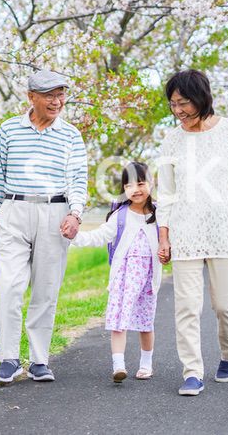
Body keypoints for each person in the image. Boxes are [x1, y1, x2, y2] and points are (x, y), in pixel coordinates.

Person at [156, 69, 228, 397]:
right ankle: (192, 372)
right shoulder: (171, 139)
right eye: (173, 104)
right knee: (187, 306)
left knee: (224, 305)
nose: (178, 110)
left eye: (184, 103)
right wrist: (163, 235)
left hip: (227, 229)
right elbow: (166, 193)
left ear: (202, 98)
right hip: (185, 231)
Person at [0, 69, 88, 383]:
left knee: (46, 288)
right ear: (31, 97)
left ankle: (39, 360)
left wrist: (75, 214)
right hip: (13, 209)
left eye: (61, 95)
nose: (57, 102)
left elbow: (78, 179)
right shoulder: (9, 129)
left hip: (54, 212)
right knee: (6, 285)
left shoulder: (70, 135)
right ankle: (8, 358)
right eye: (49, 96)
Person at [72, 161, 161, 382]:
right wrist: (75, 237)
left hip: (148, 279)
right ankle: (118, 366)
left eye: (140, 183)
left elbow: (169, 241)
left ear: (151, 183)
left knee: (145, 323)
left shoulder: (160, 214)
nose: (135, 190)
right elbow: (99, 236)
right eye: (129, 185)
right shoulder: (120, 215)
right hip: (123, 277)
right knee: (119, 321)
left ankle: (146, 364)